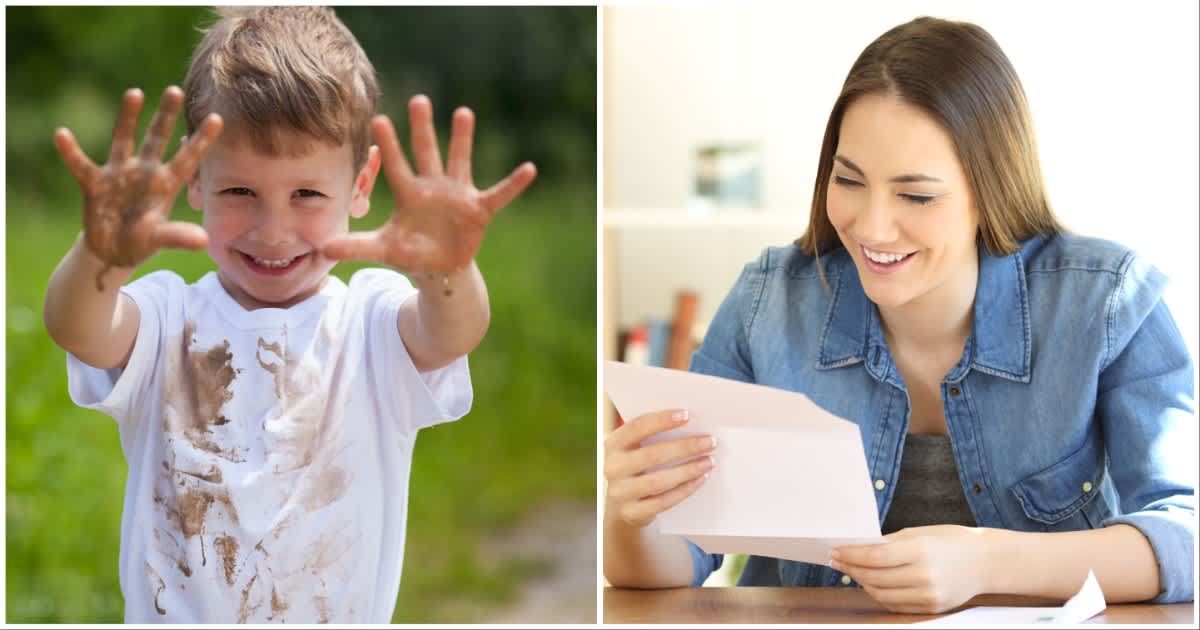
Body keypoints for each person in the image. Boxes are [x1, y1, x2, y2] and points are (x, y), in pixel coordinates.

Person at [603, 16, 1194, 613]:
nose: (872, 226)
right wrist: (634, 515)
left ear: (991, 191)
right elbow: (670, 568)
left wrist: (985, 561)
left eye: (916, 195)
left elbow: (1186, 536)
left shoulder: (1110, 301)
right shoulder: (767, 303)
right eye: (849, 180)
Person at [43, 6, 536, 623]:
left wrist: (448, 267)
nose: (273, 231)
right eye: (238, 192)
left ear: (361, 186)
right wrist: (102, 255)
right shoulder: (167, 317)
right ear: (195, 181)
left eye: (307, 194)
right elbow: (78, 328)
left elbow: (453, 332)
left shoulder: (371, 322)